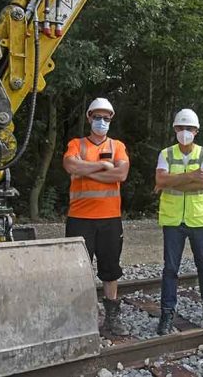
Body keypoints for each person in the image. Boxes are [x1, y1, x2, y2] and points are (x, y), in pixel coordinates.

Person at [63, 97, 130, 336]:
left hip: (110, 219)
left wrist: (88, 170)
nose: (101, 121)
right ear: (89, 117)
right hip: (79, 218)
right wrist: (104, 167)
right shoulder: (76, 144)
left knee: (110, 269)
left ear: (111, 119)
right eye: (97, 116)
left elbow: (121, 174)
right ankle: (77, 320)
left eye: (106, 117)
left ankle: (112, 317)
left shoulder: (117, 146)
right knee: (77, 271)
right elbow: (72, 167)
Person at [154, 108, 203, 335]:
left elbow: (202, 184)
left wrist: (170, 181)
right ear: (175, 129)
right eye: (181, 128)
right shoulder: (166, 153)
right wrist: (191, 175)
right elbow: (159, 179)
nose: (185, 132)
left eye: (189, 128)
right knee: (170, 268)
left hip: (198, 219)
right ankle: (166, 313)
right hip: (173, 219)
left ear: (196, 131)